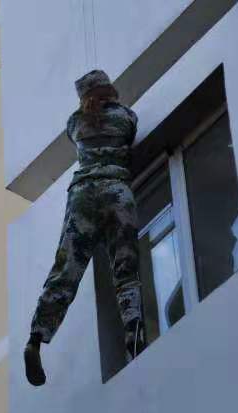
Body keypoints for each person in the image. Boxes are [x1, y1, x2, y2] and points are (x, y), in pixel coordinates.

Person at [24, 70, 144, 386]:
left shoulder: (75, 123)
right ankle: (133, 333)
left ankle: (37, 337)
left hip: (83, 195)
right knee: (125, 266)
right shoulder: (126, 116)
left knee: (67, 269)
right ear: (109, 89)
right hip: (117, 190)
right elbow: (129, 137)